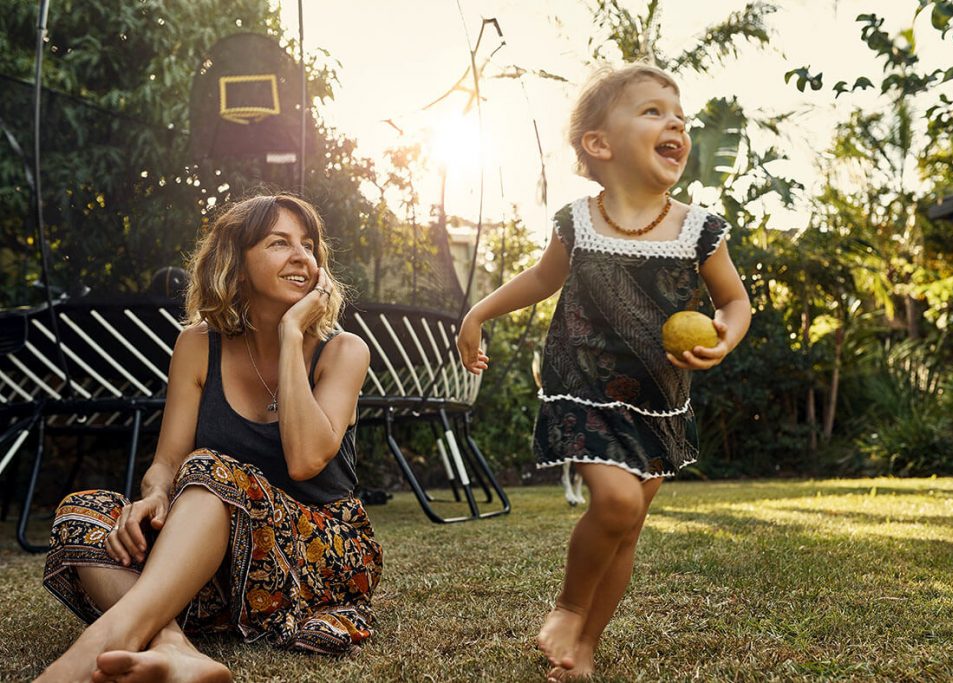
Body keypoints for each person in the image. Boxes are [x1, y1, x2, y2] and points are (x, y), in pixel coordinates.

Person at [457, 64, 751, 680]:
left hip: (659, 397)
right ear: (599, 143)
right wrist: (478, 313)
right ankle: (567, 609)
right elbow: (542, 280)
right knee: (616, 503)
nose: (674, 122)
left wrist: (725, 338)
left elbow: (734, 301)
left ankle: (584, 646)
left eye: (680, 116)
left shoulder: (699, 229)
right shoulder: (577, 221)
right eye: (651, 111)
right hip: (580, 385)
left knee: (627, 527)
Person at [37, 194, 382, 683]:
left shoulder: (343, 351)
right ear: (236, 264)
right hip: (214, 562)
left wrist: (289, 335)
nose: (302, 256)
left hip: (317, 556)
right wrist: (153, 496)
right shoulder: (198, 345)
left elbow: (305, 460)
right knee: (84, 513)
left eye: (309, 245)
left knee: (208, 468)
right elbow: (168, 461)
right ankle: (173, 646)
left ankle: (95, 647)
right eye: (279, 242)